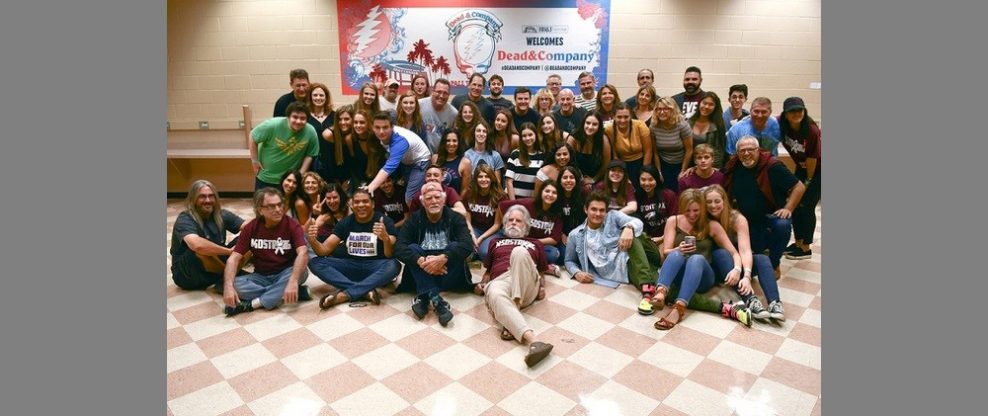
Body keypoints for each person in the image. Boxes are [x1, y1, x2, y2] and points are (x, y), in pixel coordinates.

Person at [649, 189, 742, 330]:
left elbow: (734, 253)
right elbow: (666, 252)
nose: (692, 215)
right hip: (679, 275)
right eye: (688, 211)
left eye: (696, 210)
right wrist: (678, 249)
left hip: (703, 277)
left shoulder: (712, 225)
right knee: (675, 255)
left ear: (703, 208)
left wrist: (737, 270)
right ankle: (661, 292)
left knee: (696, 258)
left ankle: (679, 308)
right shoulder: (673, 221)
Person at [475, 205, 555, 368]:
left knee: (518, 252)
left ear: (525, 225)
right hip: (502, 281)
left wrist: (541, 286)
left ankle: (515, 305)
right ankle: (535, 342)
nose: (513, 223)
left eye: (518, 221)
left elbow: (541, 272)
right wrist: (483, 284)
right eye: (510, 220)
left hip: (526, 282)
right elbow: (488, 272)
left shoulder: (535, 243)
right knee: (494, 291)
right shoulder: (495, 242)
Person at [724, 136, 807, 278]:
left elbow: (799, 187)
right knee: (754, 254)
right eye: (742, 150)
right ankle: (763, 257)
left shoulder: (772, 166)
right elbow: (717, 175)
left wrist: (788, 208)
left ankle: (774, 264)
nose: (746, 153)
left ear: (758, 150)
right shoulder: (734, 166)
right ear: (737, 153)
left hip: (771, 216)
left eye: (750, 149)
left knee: (782, 226)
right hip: (746, 218)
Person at [395, 182, 476, 326]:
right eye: (429, 198)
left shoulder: (456, 217)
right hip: (421, 271)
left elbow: (468, 245)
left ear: (444, 199)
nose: (433, 201)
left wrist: (444, 258)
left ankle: (424, 297)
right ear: (422, 202)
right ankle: (436, 301)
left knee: (454, 246)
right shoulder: (414, 219)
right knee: (413, 248)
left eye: (437, 197)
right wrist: (421, 261)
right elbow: (399, 247)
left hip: (448, 273)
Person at [565, 191, 658, 314]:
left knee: (632, 235)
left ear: (606, 211)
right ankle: (660, 290)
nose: (598, 214)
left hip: (636, 253)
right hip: (627, 268)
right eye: (593, 209)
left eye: (602, 210)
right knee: (665, 287)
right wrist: (576, 273)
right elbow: (569, 260)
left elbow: (637, 223)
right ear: (585, 209)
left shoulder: (613, 216)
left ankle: (647, 293)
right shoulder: (575, 235)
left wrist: (628, 228)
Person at [704, 185, 786, 322]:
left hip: (739, 264)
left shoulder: (737, 218)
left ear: (725, 201)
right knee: (721, 253)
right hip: (717, 267)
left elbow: (745, 250)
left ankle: (775, 303)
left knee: (762, 258)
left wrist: (747, 276)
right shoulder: (704, 220)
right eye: (709, 202)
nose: (713, 205)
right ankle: (751, 301)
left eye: (717, 201)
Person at [222, 188, 309, 316]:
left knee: (302, 272)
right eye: (271, 206)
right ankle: (285, 292)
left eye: (280, 204)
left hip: (286, 273)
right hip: (261, 276)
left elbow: (303, 253)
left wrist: (293, 280)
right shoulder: (251, 227)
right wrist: (228, 286)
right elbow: (233, 258)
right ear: (260, 209)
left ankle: (253, 304)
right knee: (233, 284)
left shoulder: (292, 225)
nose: (278, 209)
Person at [308, 188, 401, 308]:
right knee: (315, 262)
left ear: (372, 204)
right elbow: (324, 250)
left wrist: (385, 237)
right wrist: (313, 240)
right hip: (350, 265)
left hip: (375, 266)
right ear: (352, 205)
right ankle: (365, 291)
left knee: (394, 265)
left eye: (365, 201)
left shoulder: (384, 221)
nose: (361, 205)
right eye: (356, 202)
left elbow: (389, 254)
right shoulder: (345, 223)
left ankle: (345, 294)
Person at [170, 180, 247, 291]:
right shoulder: (185, 218)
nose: (208, 200)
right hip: (188, 275)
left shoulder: (221, 214)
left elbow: (249, 227)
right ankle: (230, 273)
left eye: (211, 196)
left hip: (213, 266)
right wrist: (230, 252)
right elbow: (197, 245)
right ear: (193, 199)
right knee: (198, 249)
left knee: (249, 237)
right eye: (202, 197)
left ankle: (226, 275)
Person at [778, 97, 821, 261]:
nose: (796, 113)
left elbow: (812, 159)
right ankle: (797, 243)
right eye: (792, 111)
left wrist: (808, 182)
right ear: (786, 114)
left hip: (817, 171)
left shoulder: (811, 130)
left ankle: (806, 248)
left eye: (799, 110)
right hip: (802, 169)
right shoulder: (783, 125)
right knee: (795, 205)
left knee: (806, 206)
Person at [365, 112, 433, 204]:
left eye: (385, 127)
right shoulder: (378, 136)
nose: (381, 131)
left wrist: (371, 187)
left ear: (392, 127)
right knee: (404, 194)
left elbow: (389, 167)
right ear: (372, 128)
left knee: (410, 199)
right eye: (377, 127)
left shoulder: (400, 141)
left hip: (420, 162)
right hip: (406, 161)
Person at [250, 101, 320, 190]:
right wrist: (254, 161)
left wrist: (301, 174)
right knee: (263, 203)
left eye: (303, 118)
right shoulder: (272, 125)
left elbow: (310, 154)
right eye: (295, 117)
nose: (298, 121)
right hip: (266, 177)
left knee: (288, 204)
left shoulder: (310, 131)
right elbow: (252, 136)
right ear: (288, 117)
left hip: (290, 181)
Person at [500, 181, 566, 270]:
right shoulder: (528, 203)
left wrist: (534, 242)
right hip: (522, 242)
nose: (550, 195)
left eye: (554, 193)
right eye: (547, 191)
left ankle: (527, 265)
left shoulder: (558, 212)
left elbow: (554, 239)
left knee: (553, 254)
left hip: (541, 245)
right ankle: (543, 268)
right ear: (541, 192)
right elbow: (502, 205)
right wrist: (503, 225)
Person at [462, 164, 506, 260]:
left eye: (487, 176)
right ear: (476, 179)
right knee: (466, 249)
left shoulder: (500, 196)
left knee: (484, 253)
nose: (484, 179)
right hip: (475, 228)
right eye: (480, 177)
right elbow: (468, 220)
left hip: (494, 231)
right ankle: (474, 252)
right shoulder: (469, 193)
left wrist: (480, 238)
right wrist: (472, 235)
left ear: (492, 179)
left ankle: (478, 252)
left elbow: (497, 224)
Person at [650, 96, 694, 193]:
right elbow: (655, 152)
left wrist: (683, 171)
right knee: (666, 193)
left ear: (673, 110)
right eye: (659, 109)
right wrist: (659, 171)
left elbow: (689, 150)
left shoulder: (682, 125)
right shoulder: (654, 126)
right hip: (664, 163)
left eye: (666, 109)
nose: (662, 112)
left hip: (681, 163)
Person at [606, 103, 653, 192]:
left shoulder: (640, 126)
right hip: (622, 164)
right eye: (619, 117)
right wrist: (619, 171)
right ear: (613, 117)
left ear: (630, 116)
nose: (622, 120)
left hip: (641, 162)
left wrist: (644, 173)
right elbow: (615, 154)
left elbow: (648, 151)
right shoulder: (609, 129)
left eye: (626, 117)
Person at [635, 165, 677, 264]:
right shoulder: (637, 197)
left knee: (661, 258)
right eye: (643, 180)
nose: (647, 183)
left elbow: (675, 221)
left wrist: (662, 238)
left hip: (666, 236)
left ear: (657, 180)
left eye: (651, 179)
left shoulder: (668, 195)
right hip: (648, 239)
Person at [505, 122, 545, 199]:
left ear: (535, 135)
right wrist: (513, 203)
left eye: (530, 135)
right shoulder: (515, 154)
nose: (527, 138)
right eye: (524, 136)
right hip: (516, 200)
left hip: (532, 202)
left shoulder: (542, 156)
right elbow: (509, 181)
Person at [567, 112, 610, 184]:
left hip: (596, 179)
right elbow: (568, 163)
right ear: (583, 123)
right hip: (575, 178)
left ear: (599, 126)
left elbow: (605, 165)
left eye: (595, 124)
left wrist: (593, 180)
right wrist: (580, 180)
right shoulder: (573, 139)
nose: (590, 127)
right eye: (588, 123)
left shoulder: (603, 139)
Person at [688, 91, 728, 167]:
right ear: (699, 103)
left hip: (710, 168)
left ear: (715, 107)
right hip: (691, 167)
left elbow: (719, 151)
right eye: (704, 103)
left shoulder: (718, 125)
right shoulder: (688, 123)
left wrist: (715, 170)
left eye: (711, 104)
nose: (706, 106)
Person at [418, 78, 458, 153]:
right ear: (433, 91)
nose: (441, 96)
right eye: (438, 92)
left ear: (449, 95)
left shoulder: (453, 113)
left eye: (445, 93)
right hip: (419, 156)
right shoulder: (419, 105)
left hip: (440, 157)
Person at [306, 83, 336, 180]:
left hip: (332, 161)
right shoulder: (305, 117)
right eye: (315, 95)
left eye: (321, 95)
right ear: (310, 97)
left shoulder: (334, 116)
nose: (318, 98)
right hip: (311, 162)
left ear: (326, 97)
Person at [431, 129, 472, 195]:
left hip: (454, 203)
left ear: (459, 143)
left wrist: (457, 203)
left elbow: (464, 190)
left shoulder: (465, 162)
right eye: (448, 141)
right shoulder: (435, 158)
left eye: (454, 141)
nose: (451, 144)